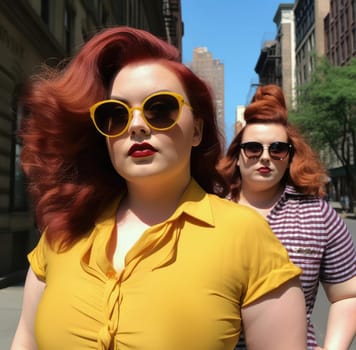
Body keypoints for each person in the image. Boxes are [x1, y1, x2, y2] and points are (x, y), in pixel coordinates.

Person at [11, 28, 306, 350]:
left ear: (197, 130)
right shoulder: (62, 233)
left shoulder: (245, 235)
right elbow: (24, 340)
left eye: (160, 109)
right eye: (116, 114)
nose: (137, 125)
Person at [218, 84, 356, 350]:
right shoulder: (208, 209)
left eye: (278, 149)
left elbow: (347, 295)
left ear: (290, 155)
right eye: (253, 148)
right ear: (236, 156)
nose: (266, 157)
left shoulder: (318, 214)